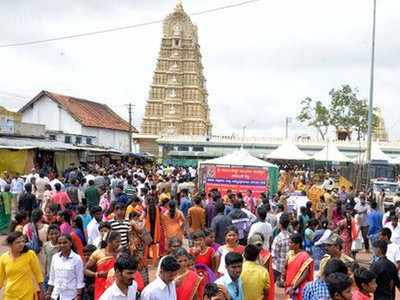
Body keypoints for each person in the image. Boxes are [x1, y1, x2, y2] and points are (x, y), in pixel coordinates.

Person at [0, 231, 44, 299]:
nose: (22, 244)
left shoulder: (30, 254)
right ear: (10, 244)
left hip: (27, 295)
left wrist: (42, 292)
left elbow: (38, 275)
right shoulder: (3, 258)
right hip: (9, 295)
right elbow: (0, 279)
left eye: (23, 241)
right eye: (18, 242)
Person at [46, 234, 85, 300]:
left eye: (65, 242)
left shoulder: (77, 259)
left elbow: (80, 280)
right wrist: (48, 293)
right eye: (60, 243)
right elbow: (52, 278)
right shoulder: (55, 257)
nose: (62, 245)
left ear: (71, 243)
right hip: (56, 295)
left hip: (71, 296)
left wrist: (78, 296)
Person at [86, 231, 122, 300]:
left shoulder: (119, 254)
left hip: (116, 286)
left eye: (120, 242)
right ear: (109, 242)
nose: (119, 244)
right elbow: (85, 270)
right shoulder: (98, 253)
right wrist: (97, 274)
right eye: (117, 242)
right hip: (101, 287)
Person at [285, 233, 314, 300]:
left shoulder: (305, 256)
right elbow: (286, 267)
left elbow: (305, 274)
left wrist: (294, 287)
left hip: (299, 286)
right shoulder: (290, 253)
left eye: (291, 243)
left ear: (297, 245)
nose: (289, 244)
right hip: (289, 284)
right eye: (289, 242)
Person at [271, 212, 290, 287]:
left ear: (280, 225)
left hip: (278, 268)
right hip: (288, 267)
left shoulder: (278, 238)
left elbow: (273, 255)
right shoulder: (291, 236)